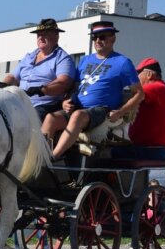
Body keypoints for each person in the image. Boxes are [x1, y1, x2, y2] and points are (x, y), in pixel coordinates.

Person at [48, 21, 144, 160]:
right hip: (79, 108)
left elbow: (139, 93)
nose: (98, 40)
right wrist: (65, 101)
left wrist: (120, 112)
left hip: (100, 110)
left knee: (77, 116)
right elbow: (74, 87)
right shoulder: (84, 60)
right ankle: (42, 158)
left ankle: (52, 158)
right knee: (50, 119)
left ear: (113, 38)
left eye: (102, 37)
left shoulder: (123, 62)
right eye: (95, 37)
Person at [1, 18, 76, 136]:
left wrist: (41, 90)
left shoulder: (63, 58)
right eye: (38, 35)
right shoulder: (29, 56)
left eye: (45, 34)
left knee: (24, 123)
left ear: (56, 36)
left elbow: (63, 83)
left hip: (44, 105)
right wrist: (1, 86)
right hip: (20, 101)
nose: (41, 37)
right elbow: (13, 77)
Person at [128, 57, 165, 167]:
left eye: (138, 74)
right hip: (153, 148)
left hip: (150, 149)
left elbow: (130, 97)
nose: (135, 79)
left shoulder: (155, 87)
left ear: (148, 74)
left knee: (104, 154)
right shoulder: (162, 88)